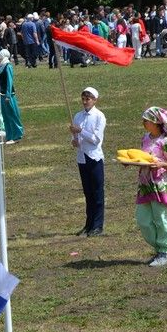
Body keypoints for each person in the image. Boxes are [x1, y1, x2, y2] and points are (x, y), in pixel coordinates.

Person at [132, 107, 167, 267]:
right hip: (145, 184)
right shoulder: (145, 138)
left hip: (160, 184)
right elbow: (142, 157)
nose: (143, 123)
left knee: (161, 219)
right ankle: (159, 248)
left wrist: (161, 164)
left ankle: (164, 252)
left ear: (155, 122)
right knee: (143, 220)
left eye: (146, 120)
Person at [70, 87, 106, 237]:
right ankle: (88, 224)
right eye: (83, 99)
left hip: (94, 157)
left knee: (97, 192)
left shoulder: (99, 116)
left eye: (88, 99)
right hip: (82, 158)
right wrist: (74, 140)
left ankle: (97, 225)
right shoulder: (78, 116)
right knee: (88, 192)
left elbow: (96, 139)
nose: (85, 102)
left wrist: (80, 132)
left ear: (95, 100)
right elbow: (75, 136)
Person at [0, 49, 23, 144]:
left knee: (12, 115)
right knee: (5, 116)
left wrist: (8, 95)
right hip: (1, 94)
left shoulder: (8, 66)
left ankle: (17, 136)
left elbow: (9, 81)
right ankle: (9, 136)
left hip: (8, 95)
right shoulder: (1, 67)